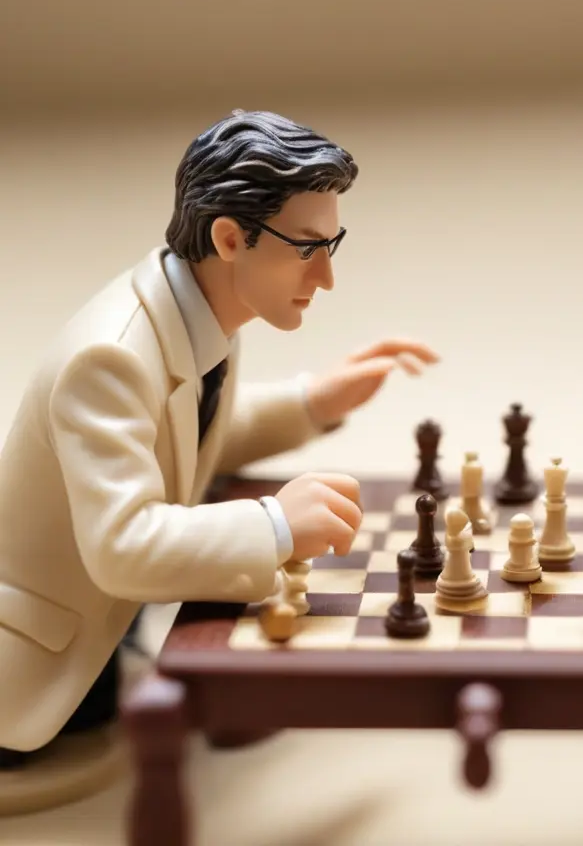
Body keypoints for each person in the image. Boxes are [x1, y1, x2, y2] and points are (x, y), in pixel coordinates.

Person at [0, 109, 438, 766]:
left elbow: (181, 440)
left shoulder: (198, 309)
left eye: (332, 245)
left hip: (111, 631)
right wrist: (275, 524)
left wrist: (311, 403)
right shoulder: (110, 358)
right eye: (307, 248)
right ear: (230, 237)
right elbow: (122, 547)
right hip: (36, 671)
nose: (326, 277)